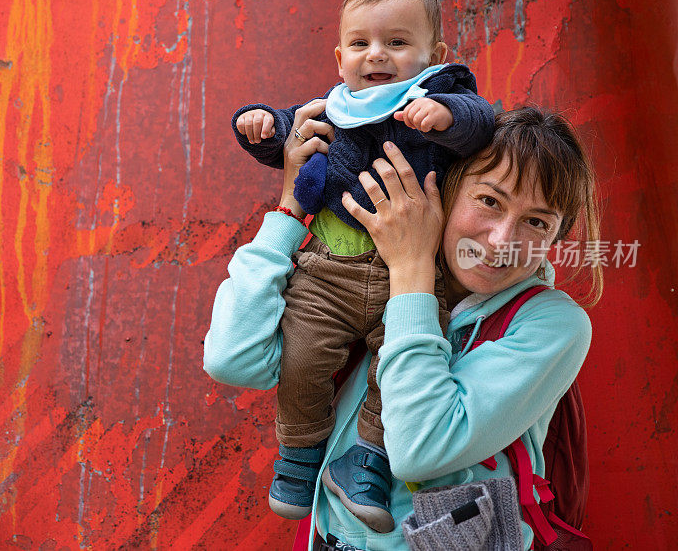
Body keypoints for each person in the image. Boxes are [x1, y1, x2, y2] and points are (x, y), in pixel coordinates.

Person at [204, 102, 602, 551]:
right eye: (489, 201)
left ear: (555, 239)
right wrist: (292, 206)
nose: (501, 241)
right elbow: (234, 360)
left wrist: (411, 267)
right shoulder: (364, 277)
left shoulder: (552, 323)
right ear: (445, 188)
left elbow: (420, 449)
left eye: (536, 222)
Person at [230, 0, 495, 532]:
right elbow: (286, 132)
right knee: (302, 359)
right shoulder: (332, 107)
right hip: (328, 272)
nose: (377, 55)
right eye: (361, 43)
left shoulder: (435, 99)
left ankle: (367, 457)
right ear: (340, 55)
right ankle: (300, 454)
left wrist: (445, 118)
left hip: (414, 272)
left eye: (398, 43)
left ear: (434, 54)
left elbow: (481, 121)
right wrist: (257, 126)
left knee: (400, 362)